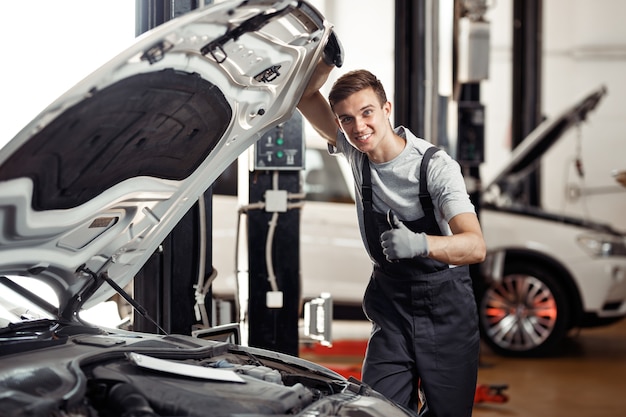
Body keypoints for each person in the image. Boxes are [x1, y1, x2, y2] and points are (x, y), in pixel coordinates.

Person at [297, 62, 486, 417]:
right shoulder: (355, 154)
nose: (359, 127)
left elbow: (475, 246)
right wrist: (325, 58)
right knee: (377, 410)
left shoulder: (434, 166)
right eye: (346, 119)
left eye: (367, 112)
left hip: (446, 314)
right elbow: (306, 94)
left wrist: (422, 244)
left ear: (387, 109)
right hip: (392, 309)